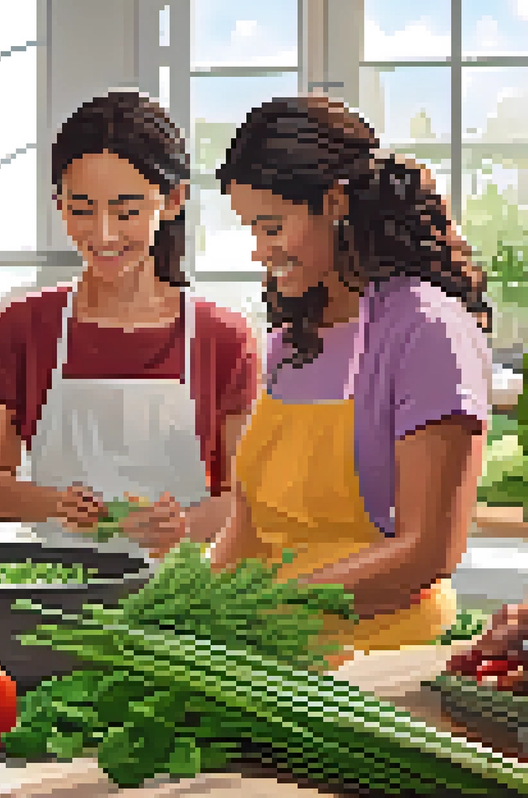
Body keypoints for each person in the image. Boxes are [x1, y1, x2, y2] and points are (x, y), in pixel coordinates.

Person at [210, 95, 491, 653]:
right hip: (267, 651)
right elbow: (246, 531)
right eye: (251, 229)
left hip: (379, 663)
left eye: (272, 226)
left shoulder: (425, 331)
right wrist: (183, 608)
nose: (259, 251)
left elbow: (426, 550)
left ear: (334, 203)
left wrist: (271, 605)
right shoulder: (290, 342)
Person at [0, 91, 261, 557]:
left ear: (173, 200)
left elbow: (244, 501)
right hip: (55, 590)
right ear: (58, 204)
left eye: (126, 210)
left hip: (182, 596)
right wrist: (52, 504)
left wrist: (185, 524)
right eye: (81, 209)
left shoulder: (224, 338)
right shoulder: (22, 327)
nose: (103, 234)